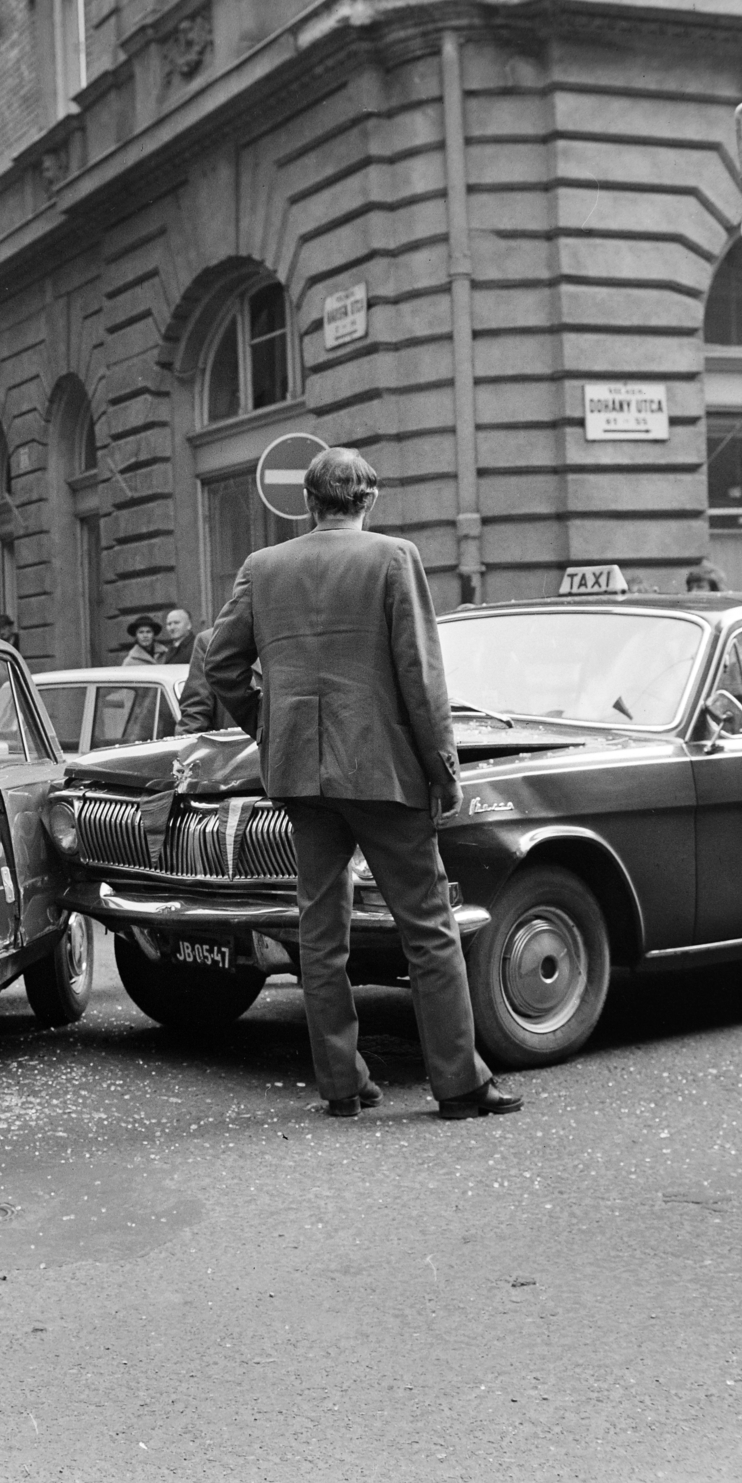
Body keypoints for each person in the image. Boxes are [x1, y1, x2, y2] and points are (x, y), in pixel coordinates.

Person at [205, 446, 521, 1122]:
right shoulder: (392, 557)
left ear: (307, 502)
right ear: (367, 500)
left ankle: (341, 1083)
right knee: (428, 928)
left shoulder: (263, 568)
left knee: (320, 928)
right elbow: (420, 675)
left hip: (302, 774)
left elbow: (219, 658)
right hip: (382, 770)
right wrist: (444, 768)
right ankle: (459, 1084)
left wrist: (270, 725)